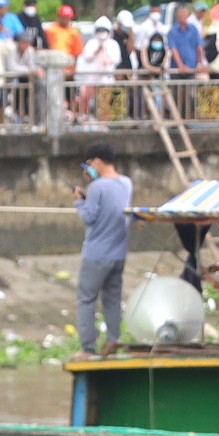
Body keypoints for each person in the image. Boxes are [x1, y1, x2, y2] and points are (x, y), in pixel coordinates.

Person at [73, 148, 131, 354]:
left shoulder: (97, 186)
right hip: (118, 254)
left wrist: (79, 201)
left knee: (86, 299)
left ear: (97, 161)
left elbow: (89, 217)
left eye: (89, 163)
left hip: (96, 254)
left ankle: (88, 348)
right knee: (112, 299)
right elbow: (111, 207)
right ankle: (114, 341)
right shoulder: (126, 183)